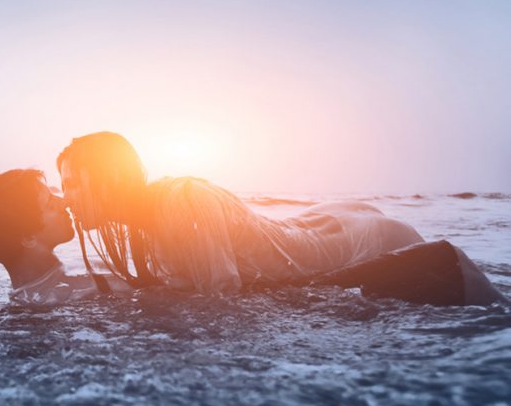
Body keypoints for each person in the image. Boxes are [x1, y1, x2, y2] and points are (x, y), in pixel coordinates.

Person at [56, 131, 507, 306]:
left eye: (73, 182)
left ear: (108, 178)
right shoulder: (144, 226)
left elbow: (223, 305)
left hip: (369, 240)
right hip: (320, 229)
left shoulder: (180, 202)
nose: (67, 197)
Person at [0, 169, 131, 305]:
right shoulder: (61, 297)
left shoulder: (76, 274)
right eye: (51, 204)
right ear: (29, 238)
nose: (64, 203)